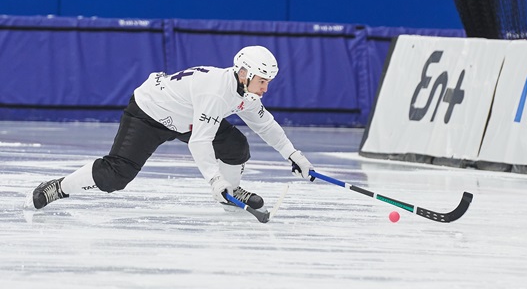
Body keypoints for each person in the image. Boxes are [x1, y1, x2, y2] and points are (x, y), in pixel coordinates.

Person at [26, 46, 315, 211]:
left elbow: (266, 124)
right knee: (115, 176)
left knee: (236, 147)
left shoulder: (245, 93)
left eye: (267, 82)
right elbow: (200, 143)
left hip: (186, 116)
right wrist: (214, 181)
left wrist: (294, 154)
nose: (265, 88)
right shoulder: (216, 92)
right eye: (262, 80)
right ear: (244, 74)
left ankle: (232, 190)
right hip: (150, 112)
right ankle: (59, 188)